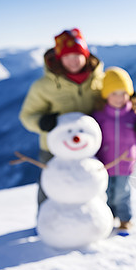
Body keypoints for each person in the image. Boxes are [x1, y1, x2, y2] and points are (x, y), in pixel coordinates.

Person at [19, 28, 104, 206]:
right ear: (59, 58)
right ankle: (45, 219)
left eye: (77, 55)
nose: (73, 61)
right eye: (67, 56)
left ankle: (94, 220)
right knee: (50, 184)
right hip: (53, 147)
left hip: (89, 145)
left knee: (93, 182)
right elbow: (27, 115)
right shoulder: (44, 86)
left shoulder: (99, 80)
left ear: (86, 55)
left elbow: (118, 97)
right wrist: (42, 122)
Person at [92, 67, 136, 235]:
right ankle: (107, 218)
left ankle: (125, 219)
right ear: (106, 95)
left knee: (122, 192)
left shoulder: (135, 114)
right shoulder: (100, 115)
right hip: (104, 162)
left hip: (125, 162)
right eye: (114, 93)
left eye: (123, 93)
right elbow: (93, 137)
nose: (119, 98)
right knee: (105, 193)